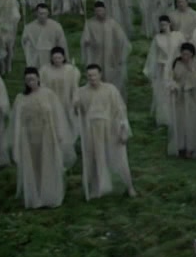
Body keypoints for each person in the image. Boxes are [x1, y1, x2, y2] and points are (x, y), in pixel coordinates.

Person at [9, 68, 72, 209]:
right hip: (29, 137)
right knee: (34, 164)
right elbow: (17, 121)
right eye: (27, 80)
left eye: (32, 78)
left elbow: (57, 115)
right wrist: (17, 141)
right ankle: (35, 196)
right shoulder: (21, 98)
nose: (30, 82)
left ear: (38, 78)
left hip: (47, 134)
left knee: (48, 162)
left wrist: (59, 133)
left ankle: (50, 195)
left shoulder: (48, 94)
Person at [73, 64, 136, 199]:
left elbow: (120, 110)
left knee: (118, 156)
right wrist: (76, 105)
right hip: (91, 129)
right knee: (94, 157)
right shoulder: (81, 92)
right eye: (89, 76)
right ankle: (97, 187)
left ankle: (128, 186)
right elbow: (78, 113)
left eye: (94, 75)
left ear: (100, 75)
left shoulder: (110, 89)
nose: (92, 78)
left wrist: (123, 129)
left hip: (110, 127)